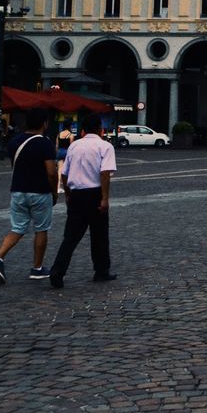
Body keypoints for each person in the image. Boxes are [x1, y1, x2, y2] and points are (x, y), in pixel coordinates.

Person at [50, 112, 117, 288]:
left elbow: (64, 173)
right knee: (100, 235)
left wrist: (68, 193)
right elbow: (105, 173)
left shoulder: (74, 146)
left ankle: (58, 271)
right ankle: (101, 271)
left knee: (70, 237)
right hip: (94, 193)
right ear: (101, 130)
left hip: (77, 194)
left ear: (82, 131)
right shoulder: (105, 146)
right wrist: (104, 198)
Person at [0, 108, 59, 284]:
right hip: (39, 192)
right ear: (44, 123)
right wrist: (54, 191)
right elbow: (51, 172)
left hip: (18, 191)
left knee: (17, 228)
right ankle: (37, 268)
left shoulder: (14, 142)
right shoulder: (45, 143)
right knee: (41, 229)